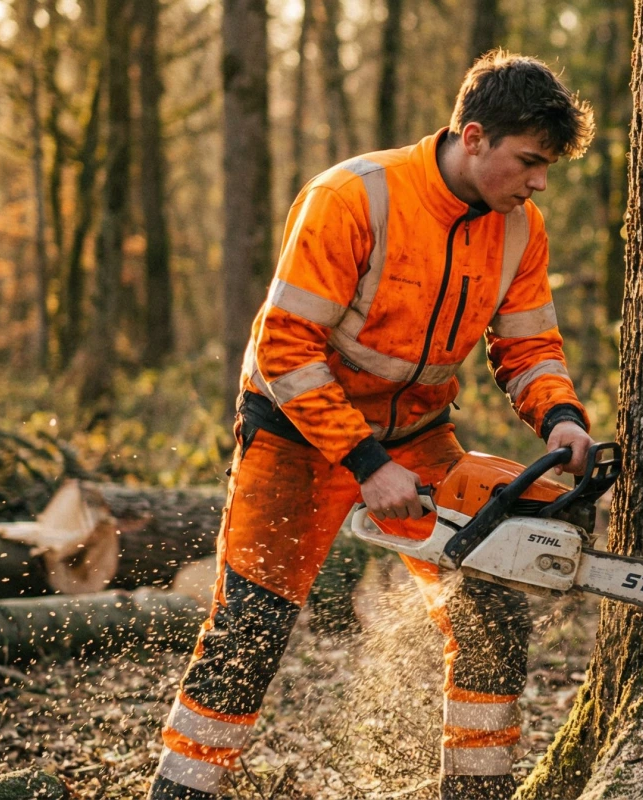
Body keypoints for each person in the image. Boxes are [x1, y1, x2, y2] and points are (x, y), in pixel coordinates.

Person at [147, 51, 597, 800]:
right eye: (528, 161)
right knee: (249, 629)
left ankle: (476, 790)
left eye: (546, 166)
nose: (538, 180)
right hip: (298, 430)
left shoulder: (519, 229)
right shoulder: (355, 197)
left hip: (417, 432)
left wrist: (559, 417)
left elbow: (526, 344)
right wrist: (363, 461)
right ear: (475, 136)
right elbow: (284, 346)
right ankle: (181, 789)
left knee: (489, 616)